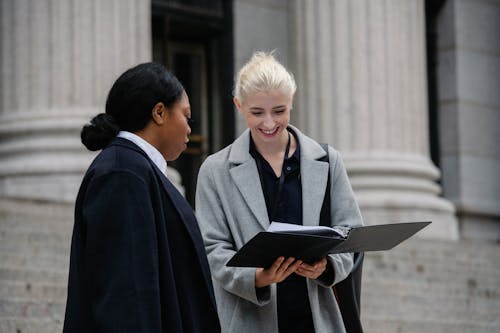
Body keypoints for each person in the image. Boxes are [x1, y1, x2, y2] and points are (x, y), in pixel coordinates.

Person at [195, 51, 363, 333]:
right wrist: (258, 277)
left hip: (316, 318)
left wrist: (327, 266)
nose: (269, 123)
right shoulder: (214, 170)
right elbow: (213, 249)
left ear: (292, 102)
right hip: (249, 319)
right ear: (238, 105)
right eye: (257, 113)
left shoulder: (328, 160)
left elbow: (351, 233)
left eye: (279, 111)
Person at [63, 62, 220, 333]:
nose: (189, 129)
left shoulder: (135, 169)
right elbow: (126, 294)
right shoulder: (122, 172)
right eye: (186, 116)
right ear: (159, 112)